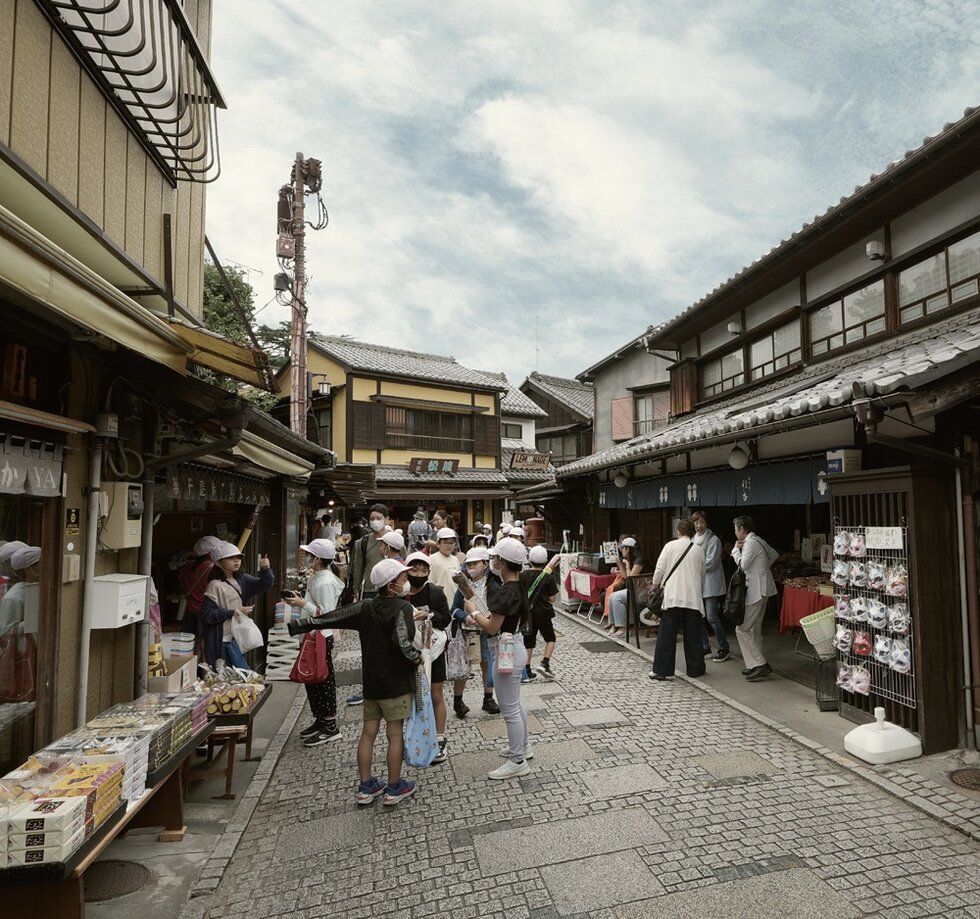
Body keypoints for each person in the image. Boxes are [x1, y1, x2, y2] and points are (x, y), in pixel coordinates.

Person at [291, 559, 422, 806]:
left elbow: (332, 617)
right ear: (391, 585)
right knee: (395, 734)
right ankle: (394, 788)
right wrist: (418, 659)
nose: (406, 583)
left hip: (371, 682)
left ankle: (366, 786)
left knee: (368, 733)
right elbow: (404, 645)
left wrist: (298, 625)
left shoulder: (366, 607)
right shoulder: (402, 609)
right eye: (403, 579)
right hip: (395, 683)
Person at [463, 537, 532, 779]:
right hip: (514, 647)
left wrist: (471, 610)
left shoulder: (506, 591)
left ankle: (518, 760)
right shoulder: (517, 586)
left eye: (495, 559)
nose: (493, 562)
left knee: (509, 709)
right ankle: (522, 747)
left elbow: (492, 627)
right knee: (515, 704)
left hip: (505, 651)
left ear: (502, 563)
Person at [284, 538, 344, 747]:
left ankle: (330, 724)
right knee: (314, 679)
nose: (307, 558)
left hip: (320, 634)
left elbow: (327, 614)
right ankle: (320, 719)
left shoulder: (325, 581)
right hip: (312, 633)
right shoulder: (318, 577)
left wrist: (303, 603)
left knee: (322, 678)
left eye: (310, 555)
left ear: (317, 558)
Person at [404, 550, 452, 764]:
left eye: (424, 569)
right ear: (406, 571)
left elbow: (446, 618)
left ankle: (439, 737)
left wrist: (430, 616)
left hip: (434, 651)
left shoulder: (435, 592)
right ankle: (418, 736)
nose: (420, 573)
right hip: (409, 653)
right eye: (414, 569)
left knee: (436, 694)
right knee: (413, 695)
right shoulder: (401, 594)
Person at [648, 519, 707, 681]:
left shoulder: (670, 546)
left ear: (678, 532)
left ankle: (661, 670)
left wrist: (654, 586)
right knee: (693, 635)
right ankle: (695, 669)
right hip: (692, 597)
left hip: (673, 595)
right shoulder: (698, 550)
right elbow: (703, 572)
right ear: (692, 533)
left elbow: (659, 570)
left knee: (667, 635)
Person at [200, 542, 274, 668]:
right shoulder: (214, 585)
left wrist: (266, 569)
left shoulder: (241, 579)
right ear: (218, 562)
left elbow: (264, 585)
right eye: (231, 558)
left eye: (238, 557)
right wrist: (233, 612)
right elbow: (207, 615)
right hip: (221, 639)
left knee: (238, 676)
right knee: (225, 678)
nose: (236, 561)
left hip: (237, 637)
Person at [346, 504, 392, 705]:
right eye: (372, 517)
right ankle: (368, 686)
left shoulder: (394, 541)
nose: (375, 521)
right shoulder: (362, 543)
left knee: (391, 639)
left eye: (379, 517)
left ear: (386, 518)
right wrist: (356, 593)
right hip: (370, 593)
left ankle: (391, 682)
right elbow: (357, 569)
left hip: (391, 593)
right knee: (369, 640)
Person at [449, 547, 500, 717]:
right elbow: (454, 609)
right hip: (467, 632)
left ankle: (488, 698)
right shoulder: (463, 585)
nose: (471, 566)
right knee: (464, 667)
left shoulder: (494, 584)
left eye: (475, 563)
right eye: (469, 563)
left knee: (487, 664)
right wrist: (464, 617)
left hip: (487, 630)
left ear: (485, 564)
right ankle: (458, 701)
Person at [731, 516, 779, 682]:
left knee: (742, 629)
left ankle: (760, 664)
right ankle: (753, 665)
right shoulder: (759, 540)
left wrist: (735, 551)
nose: (735, 532)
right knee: (755, 629)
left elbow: (743, 566)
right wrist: (762, 568)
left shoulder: (750, 543)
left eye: (736, 528)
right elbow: (774, 554)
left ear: (742, 529)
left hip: (756, 591)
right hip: (764, 588)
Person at [692, 511, 730, 662]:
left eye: (702, 522)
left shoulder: (713, 540)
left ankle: (724, 647)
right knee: (699, 617)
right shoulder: (693, 539)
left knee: (712, 617)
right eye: (696, 523)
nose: (699, 526)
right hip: (697, 583)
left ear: (706, 523)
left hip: (710, 584)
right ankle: (705, 647)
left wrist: (693, 566)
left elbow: (711, 563)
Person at [178, 535, 219, 658]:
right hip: (204, 611)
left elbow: (181, 582)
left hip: (190, 611)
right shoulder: (211, 568)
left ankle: (192, 673)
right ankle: (204, 675)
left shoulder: (187, 567)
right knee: (205, 645)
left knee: (192, 645)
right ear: (210, 553)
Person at [524, 545, 559, 681]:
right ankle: (544, 663)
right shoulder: (548, 577)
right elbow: (552, 598)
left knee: (529, 641)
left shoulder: (523, 575)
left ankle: (527, 670)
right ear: (545, 561)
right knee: (550, 638)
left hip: (528, 614)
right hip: (544, 613)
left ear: (530, 559)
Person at [607, 537, 653, 638]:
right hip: (635, 590)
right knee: (612, 596)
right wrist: (620, 564)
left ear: (628, 549)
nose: (621, 550)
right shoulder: (633, 560)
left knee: (616, 597)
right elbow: (625, 577)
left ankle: (622, 628)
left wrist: (627, 565)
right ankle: (614, 625)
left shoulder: (639, 561)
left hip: (643, 592)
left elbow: (630, 579)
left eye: (623, 548)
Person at [0, 545, 40, 637]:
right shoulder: (13, 598)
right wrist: (30, 623)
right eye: (40, 566)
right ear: (28, 570)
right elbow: (4, 632)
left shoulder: (42, 589)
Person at [427, 527, 462, 604]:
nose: (449, 546)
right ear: (438, 544)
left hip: (455, 601)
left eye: (452, 543)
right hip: (440, 602)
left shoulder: (455, 560)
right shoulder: (432, 559)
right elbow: (430, 583)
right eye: (446, 543)